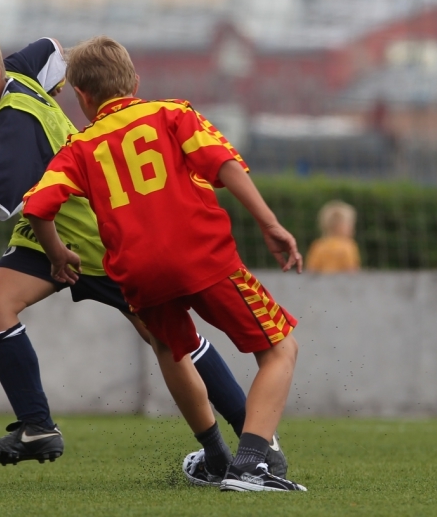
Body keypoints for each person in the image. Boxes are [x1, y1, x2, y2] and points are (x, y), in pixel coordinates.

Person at [0, 27, 284, 474]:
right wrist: (71, 79)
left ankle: (251, 445)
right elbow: (51, 48)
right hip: (47, 235)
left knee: (171, 342)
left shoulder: (14, 121)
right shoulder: (18, 73)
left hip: (93, 239)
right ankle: (37, 426)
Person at [23, 36, 307, 492]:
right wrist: (270, 223)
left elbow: (37, 207)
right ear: (135, 82)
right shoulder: (173, 113)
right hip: (201, 256)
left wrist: (58, 255)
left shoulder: (79, 147)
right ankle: (252, 464)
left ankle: (216, 457)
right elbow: (224, 164)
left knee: (170, 350)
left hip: (138, 273)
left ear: (81, 96)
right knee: (279, 349)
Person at [305, 200, 361, 274]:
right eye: (350, 225)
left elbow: (311, 270)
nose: (353, 228)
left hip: (322, 281)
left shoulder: (318, 246)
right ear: (339, 226)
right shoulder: (348, 246)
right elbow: (352, 271)